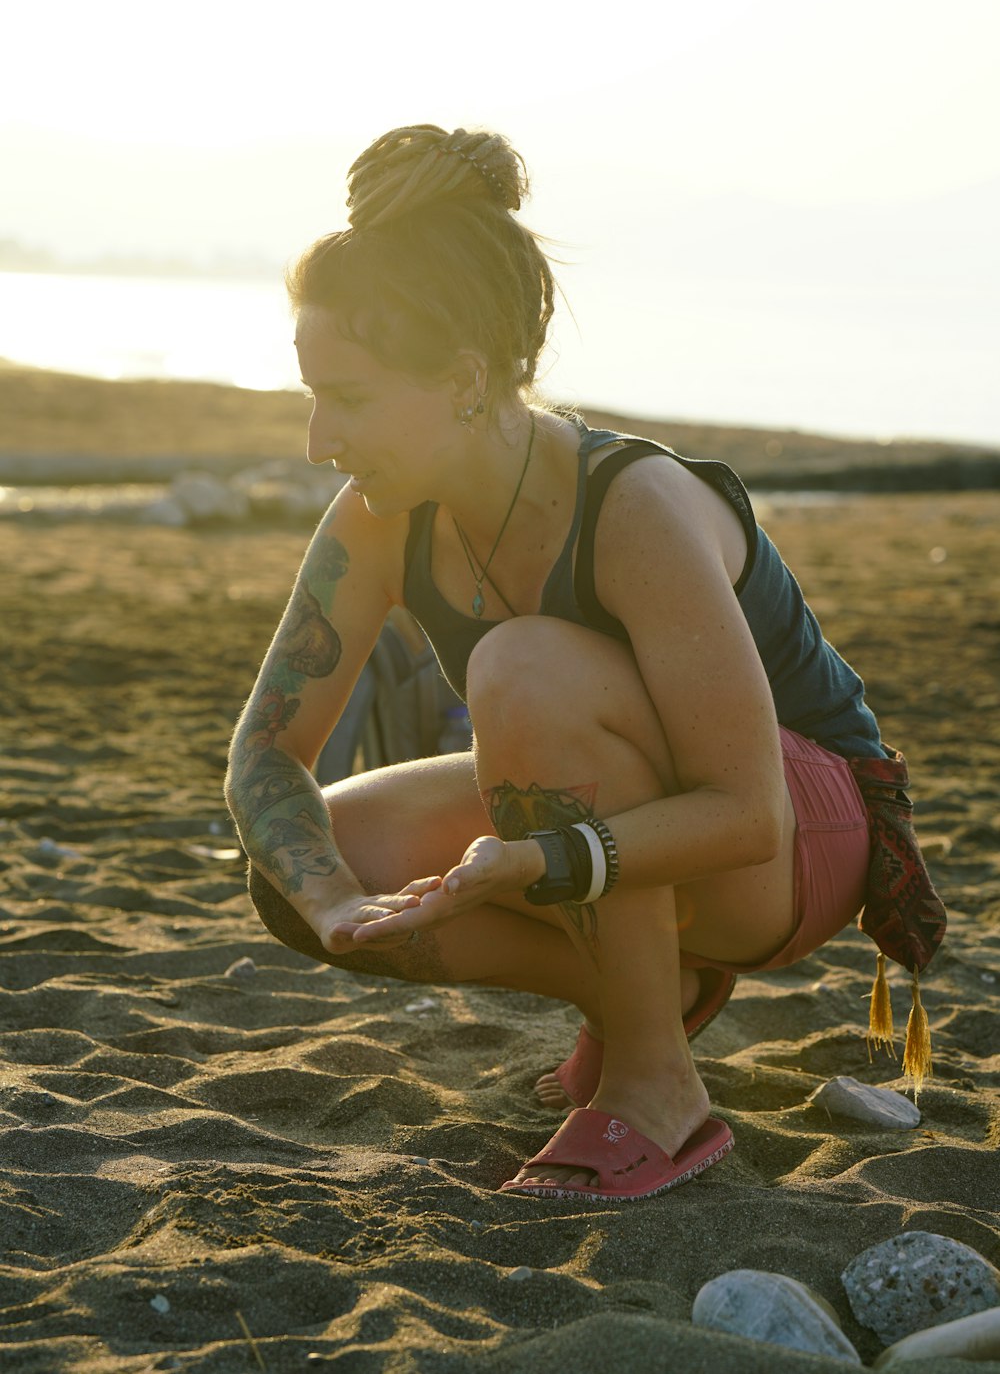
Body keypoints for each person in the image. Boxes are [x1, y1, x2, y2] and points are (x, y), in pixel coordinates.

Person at [224, 124, 920, 1204]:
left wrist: (534, 862)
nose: (319, 437)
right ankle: (655, 991)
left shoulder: (630, 504)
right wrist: (326, 908)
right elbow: (266, 753)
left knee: (524, 669)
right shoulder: (374, 515)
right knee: (310, 853)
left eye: (351, 398)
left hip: (797, 834)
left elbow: (747, 814)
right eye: (311, 393)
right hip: (635, 817)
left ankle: (658, 1091)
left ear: (462, 378)